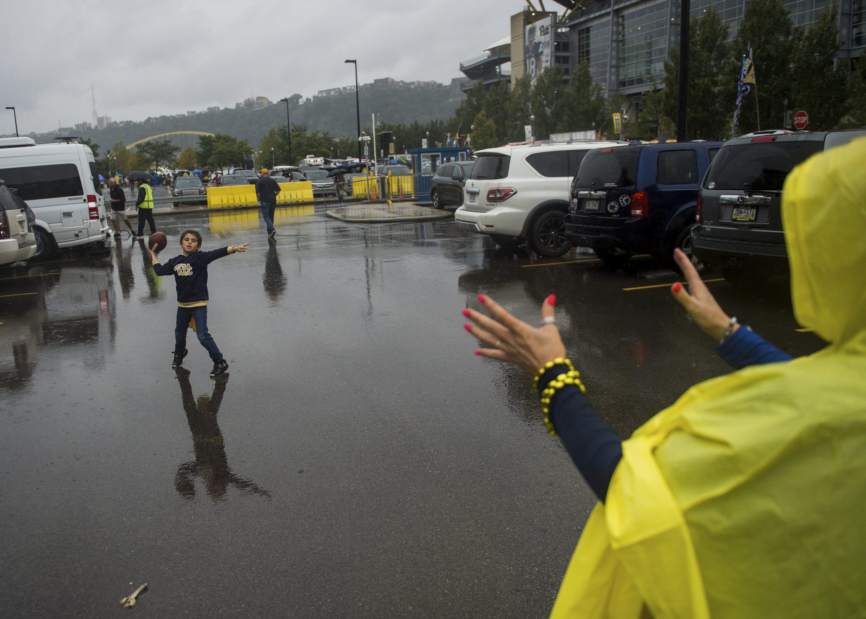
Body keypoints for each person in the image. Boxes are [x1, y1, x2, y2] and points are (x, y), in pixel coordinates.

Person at [462, 137, 866, 618]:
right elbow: (828, 392)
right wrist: (729, 333)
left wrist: (553, 376)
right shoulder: (840, 403)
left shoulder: (778, 434)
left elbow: (638, 498)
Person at [148, 229, 248, 377]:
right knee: (179, 334)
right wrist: (154, 255)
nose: (189, 242)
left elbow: (216, 253)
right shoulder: (175, 261)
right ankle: (179, 354)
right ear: (181, 243)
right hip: (182, 306)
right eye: (186, 239)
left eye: (193, 240)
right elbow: (160, 271)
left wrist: (233, 249)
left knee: (202, 336)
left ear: (198, 246)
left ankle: (220, 362)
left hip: (198, 304)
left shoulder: (200, 258)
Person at [255, 167, 281, 239]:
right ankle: (270, 233)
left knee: (266, 217)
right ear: (268, 173)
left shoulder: (259, 181)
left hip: (264, 201)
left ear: (262, 174)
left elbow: (258, 193)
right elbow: (278, 190)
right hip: (273, 200)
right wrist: (274, 195)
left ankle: (272, 229)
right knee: (271, 217)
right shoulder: (272, 180)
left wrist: (259, 200)